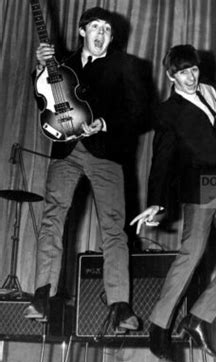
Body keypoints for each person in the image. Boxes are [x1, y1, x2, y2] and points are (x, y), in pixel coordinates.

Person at [131, 38, 216, 359]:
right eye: (182, 73)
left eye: (193, 70)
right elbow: (161, 160)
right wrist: (155, 201)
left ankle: (197, 318)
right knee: (191, 254)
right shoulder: (168, 113)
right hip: (201, 187)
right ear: (171, 77)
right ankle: (159, 327)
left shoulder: (208, 90)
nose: (190, 77)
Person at [24, 7, 147, 334]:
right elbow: (44, 101)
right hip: (66, 150)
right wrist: (40, 67)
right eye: (95, 27)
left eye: (107, 29)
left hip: (106, 153)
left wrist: (106, 123)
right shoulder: (61, 63)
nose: (101, 33)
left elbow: (141, 113)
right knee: (52, 218)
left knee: (113, 228)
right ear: (82, 31)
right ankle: (42, 295)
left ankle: (119, 305)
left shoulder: (126, 65)